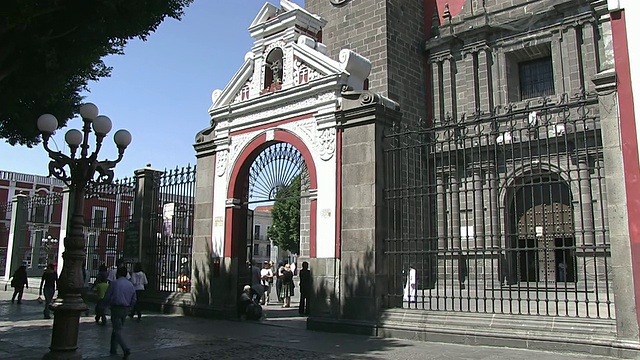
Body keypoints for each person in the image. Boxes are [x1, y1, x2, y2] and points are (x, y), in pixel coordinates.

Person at [103, 266, 136, 359]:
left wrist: (104, 305)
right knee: (117, 328)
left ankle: (125, 348)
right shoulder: (130, 285)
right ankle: (113, 348)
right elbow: (134, 298)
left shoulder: (114, 283)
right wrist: (130, 307)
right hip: (125, 308)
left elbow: (107, 296)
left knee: (117, 330)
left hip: (116, 308)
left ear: (118, 273)